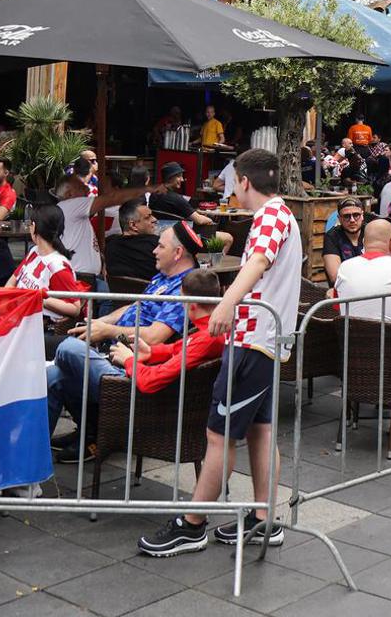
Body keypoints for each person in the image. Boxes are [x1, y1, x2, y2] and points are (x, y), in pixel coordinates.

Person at [137, 149, 301, 554]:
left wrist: (227, 304)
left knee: (218, 434)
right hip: (264, 340)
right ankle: (264, 518)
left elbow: (258, 262)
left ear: (244, 181)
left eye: (233, 183)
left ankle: (192, 525)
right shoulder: (281, 215)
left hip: (253, 340)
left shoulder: (270, 215)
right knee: (261, 431)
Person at [47, 221, 204, 460]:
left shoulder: (184, 290)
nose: (154, 250)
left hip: (131, 372)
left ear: (178, 253)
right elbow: (134, 306)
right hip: (113, 357)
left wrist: (107, 331)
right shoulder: (164, 278)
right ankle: (62, 444)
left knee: (67, 349)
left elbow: (155, 336)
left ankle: (96, 434)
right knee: (54, 374)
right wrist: (98, 323)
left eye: (160, 246)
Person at [108, 268, 227, 393]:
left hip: (136, 390)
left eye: (182, 300)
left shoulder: (208, 337)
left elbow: (150, 381)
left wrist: (128, 360)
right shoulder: (213, 328)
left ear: (191, 305)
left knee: (92, 359)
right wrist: (150, 352)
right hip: (145, 382)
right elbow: (178, 347)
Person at [9, 204, 90, 352]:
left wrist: (38, 298)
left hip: (40, 332)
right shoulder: (34, 251)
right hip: (18, 321)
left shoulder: (58, 266)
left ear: (34, 227)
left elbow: (75, 308)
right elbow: (13, 280)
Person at [105, 200, 161, 281]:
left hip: (118, 288)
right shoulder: (158, 244)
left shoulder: (109, 245)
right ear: (133, 225)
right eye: (148, 217)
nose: (154, 219)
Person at [322, 196, 373, 283]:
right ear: (339, 219)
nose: (352, 220)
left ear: (362, 216)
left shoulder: (371, 232)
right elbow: (335, 277)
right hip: (345, 288)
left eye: (356, 215)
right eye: (346, 216)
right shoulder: (332, 236)